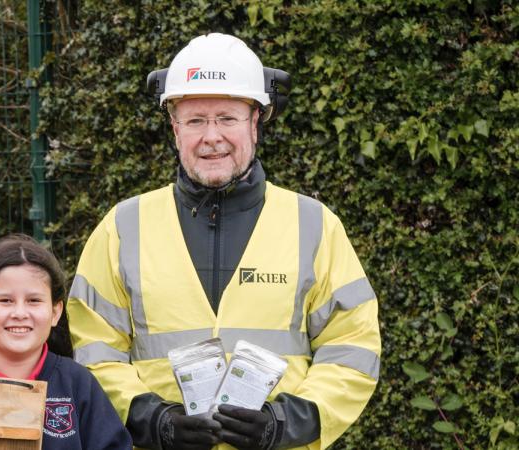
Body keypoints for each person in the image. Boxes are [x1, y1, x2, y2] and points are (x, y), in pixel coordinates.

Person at [68, 33, 380, 450]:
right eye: (196, 120)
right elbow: (92, 350)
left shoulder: (315, 224)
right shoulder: (122, 227)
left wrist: (285, 422)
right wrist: (150, 419)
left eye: (227, 118)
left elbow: (352, 347)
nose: (211, 136)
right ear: (175, 128)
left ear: (255, 122)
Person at [0, 235, 134, 449]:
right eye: (5, 300)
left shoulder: (78, 384)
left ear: (56, 312)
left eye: (34, 301)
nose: (20, 313)